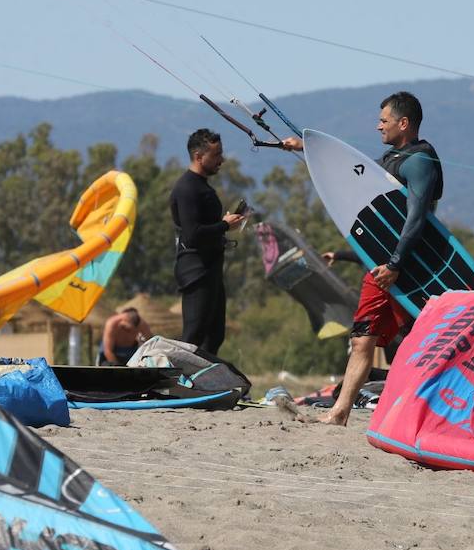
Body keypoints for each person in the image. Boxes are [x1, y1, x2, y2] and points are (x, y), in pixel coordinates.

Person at [282, 91, 442, 425]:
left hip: (408, 268)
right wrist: (307, 150)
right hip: (382, 267)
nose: (378, 126)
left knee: (416, 343)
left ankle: (419, 412)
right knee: (362, 339)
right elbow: (351, 183)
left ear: (403, 122)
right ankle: (341, 412)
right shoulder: (390, 160)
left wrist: (397, 264)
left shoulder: (420, 161)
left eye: (384, 120)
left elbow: (416, 218)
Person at [170, 129, 246, 358]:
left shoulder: (202, 186)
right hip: (196, 271)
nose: (221, 160)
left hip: (210, 268)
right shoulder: (187, 188)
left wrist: (224, 224)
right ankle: (181, 387)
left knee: (214, 336)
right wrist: (224, 225)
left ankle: (204, 384)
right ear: (199, 156)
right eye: (216, 155)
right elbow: (192, 234)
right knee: (194, 336)